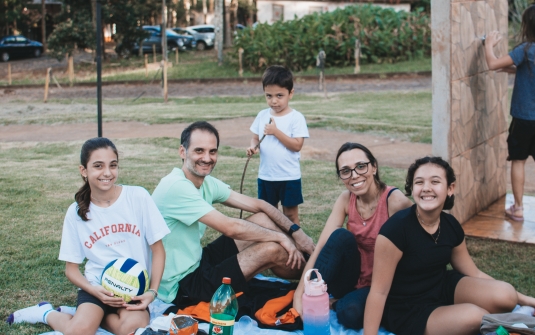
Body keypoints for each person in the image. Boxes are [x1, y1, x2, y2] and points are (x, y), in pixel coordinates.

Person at [7, 138, 170, 335]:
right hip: (96, 288)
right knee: (79, 331)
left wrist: (152, 292)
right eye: (98, 166)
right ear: (84, 170)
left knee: (131, 328)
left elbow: (158, 250)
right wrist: (95, 292)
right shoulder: (76, 213)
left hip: (131, 289)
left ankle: (97, 318)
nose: (107, 173)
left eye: (113, 165)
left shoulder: (138, 197)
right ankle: (46, 313)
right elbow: (71, 270)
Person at [363, 156, 535, 335]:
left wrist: (525, 300)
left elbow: (473, 272)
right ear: (413, 188)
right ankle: (516, 325)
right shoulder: (395, 230)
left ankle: (511, 320)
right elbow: (378, 292)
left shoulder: (450, 225)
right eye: (419, 182)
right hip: (408, 308)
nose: (427, 188)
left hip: (442, 287)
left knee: (506, 295)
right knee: (475, 317)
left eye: (435, 181)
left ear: (450, 188)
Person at [152, 121, 315, 306]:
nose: (207, 158)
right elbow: (231, 228)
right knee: (273, 249)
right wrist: (280, 238)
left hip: (197, 261)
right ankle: (317, 275)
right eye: (199, 151)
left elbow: (260, 205)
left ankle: (314, 263)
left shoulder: (204, 182)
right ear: (183, 152)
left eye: (212, 151)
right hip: (181, 285)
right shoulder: (176, 186)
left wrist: (296, 232)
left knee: (262, 219)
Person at [293, 142, 412, 330]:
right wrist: (299, 295)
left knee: (350, 315)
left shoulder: (395, 202)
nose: (354, 175)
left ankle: (335, 303)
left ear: (374, 167)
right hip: (351, 276)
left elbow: (414, 252)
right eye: (345, 171)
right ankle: (314, 297)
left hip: (382, 285)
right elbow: (324, 246)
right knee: (340, 237)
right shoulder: (346, 199)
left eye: (361, 166)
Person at [485, 5, 535, 222]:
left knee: (519, 160)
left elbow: (493, 64)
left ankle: (518, 208)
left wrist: (488, 45)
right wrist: (514, 69)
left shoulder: (525, 50)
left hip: (524, 118)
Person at [246, 65, 309, 225]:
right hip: (266, 175)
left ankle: (297, 246)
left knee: (290, 215)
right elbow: (255, 138)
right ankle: (275, 245)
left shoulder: (296, 118)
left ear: (291, 93)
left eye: (279, 95)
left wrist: (276, 131)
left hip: (289, 176)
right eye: (269, 96)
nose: (274, 101)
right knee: (268, 214)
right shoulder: (262, 115)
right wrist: (254, 147)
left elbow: (297, 145)